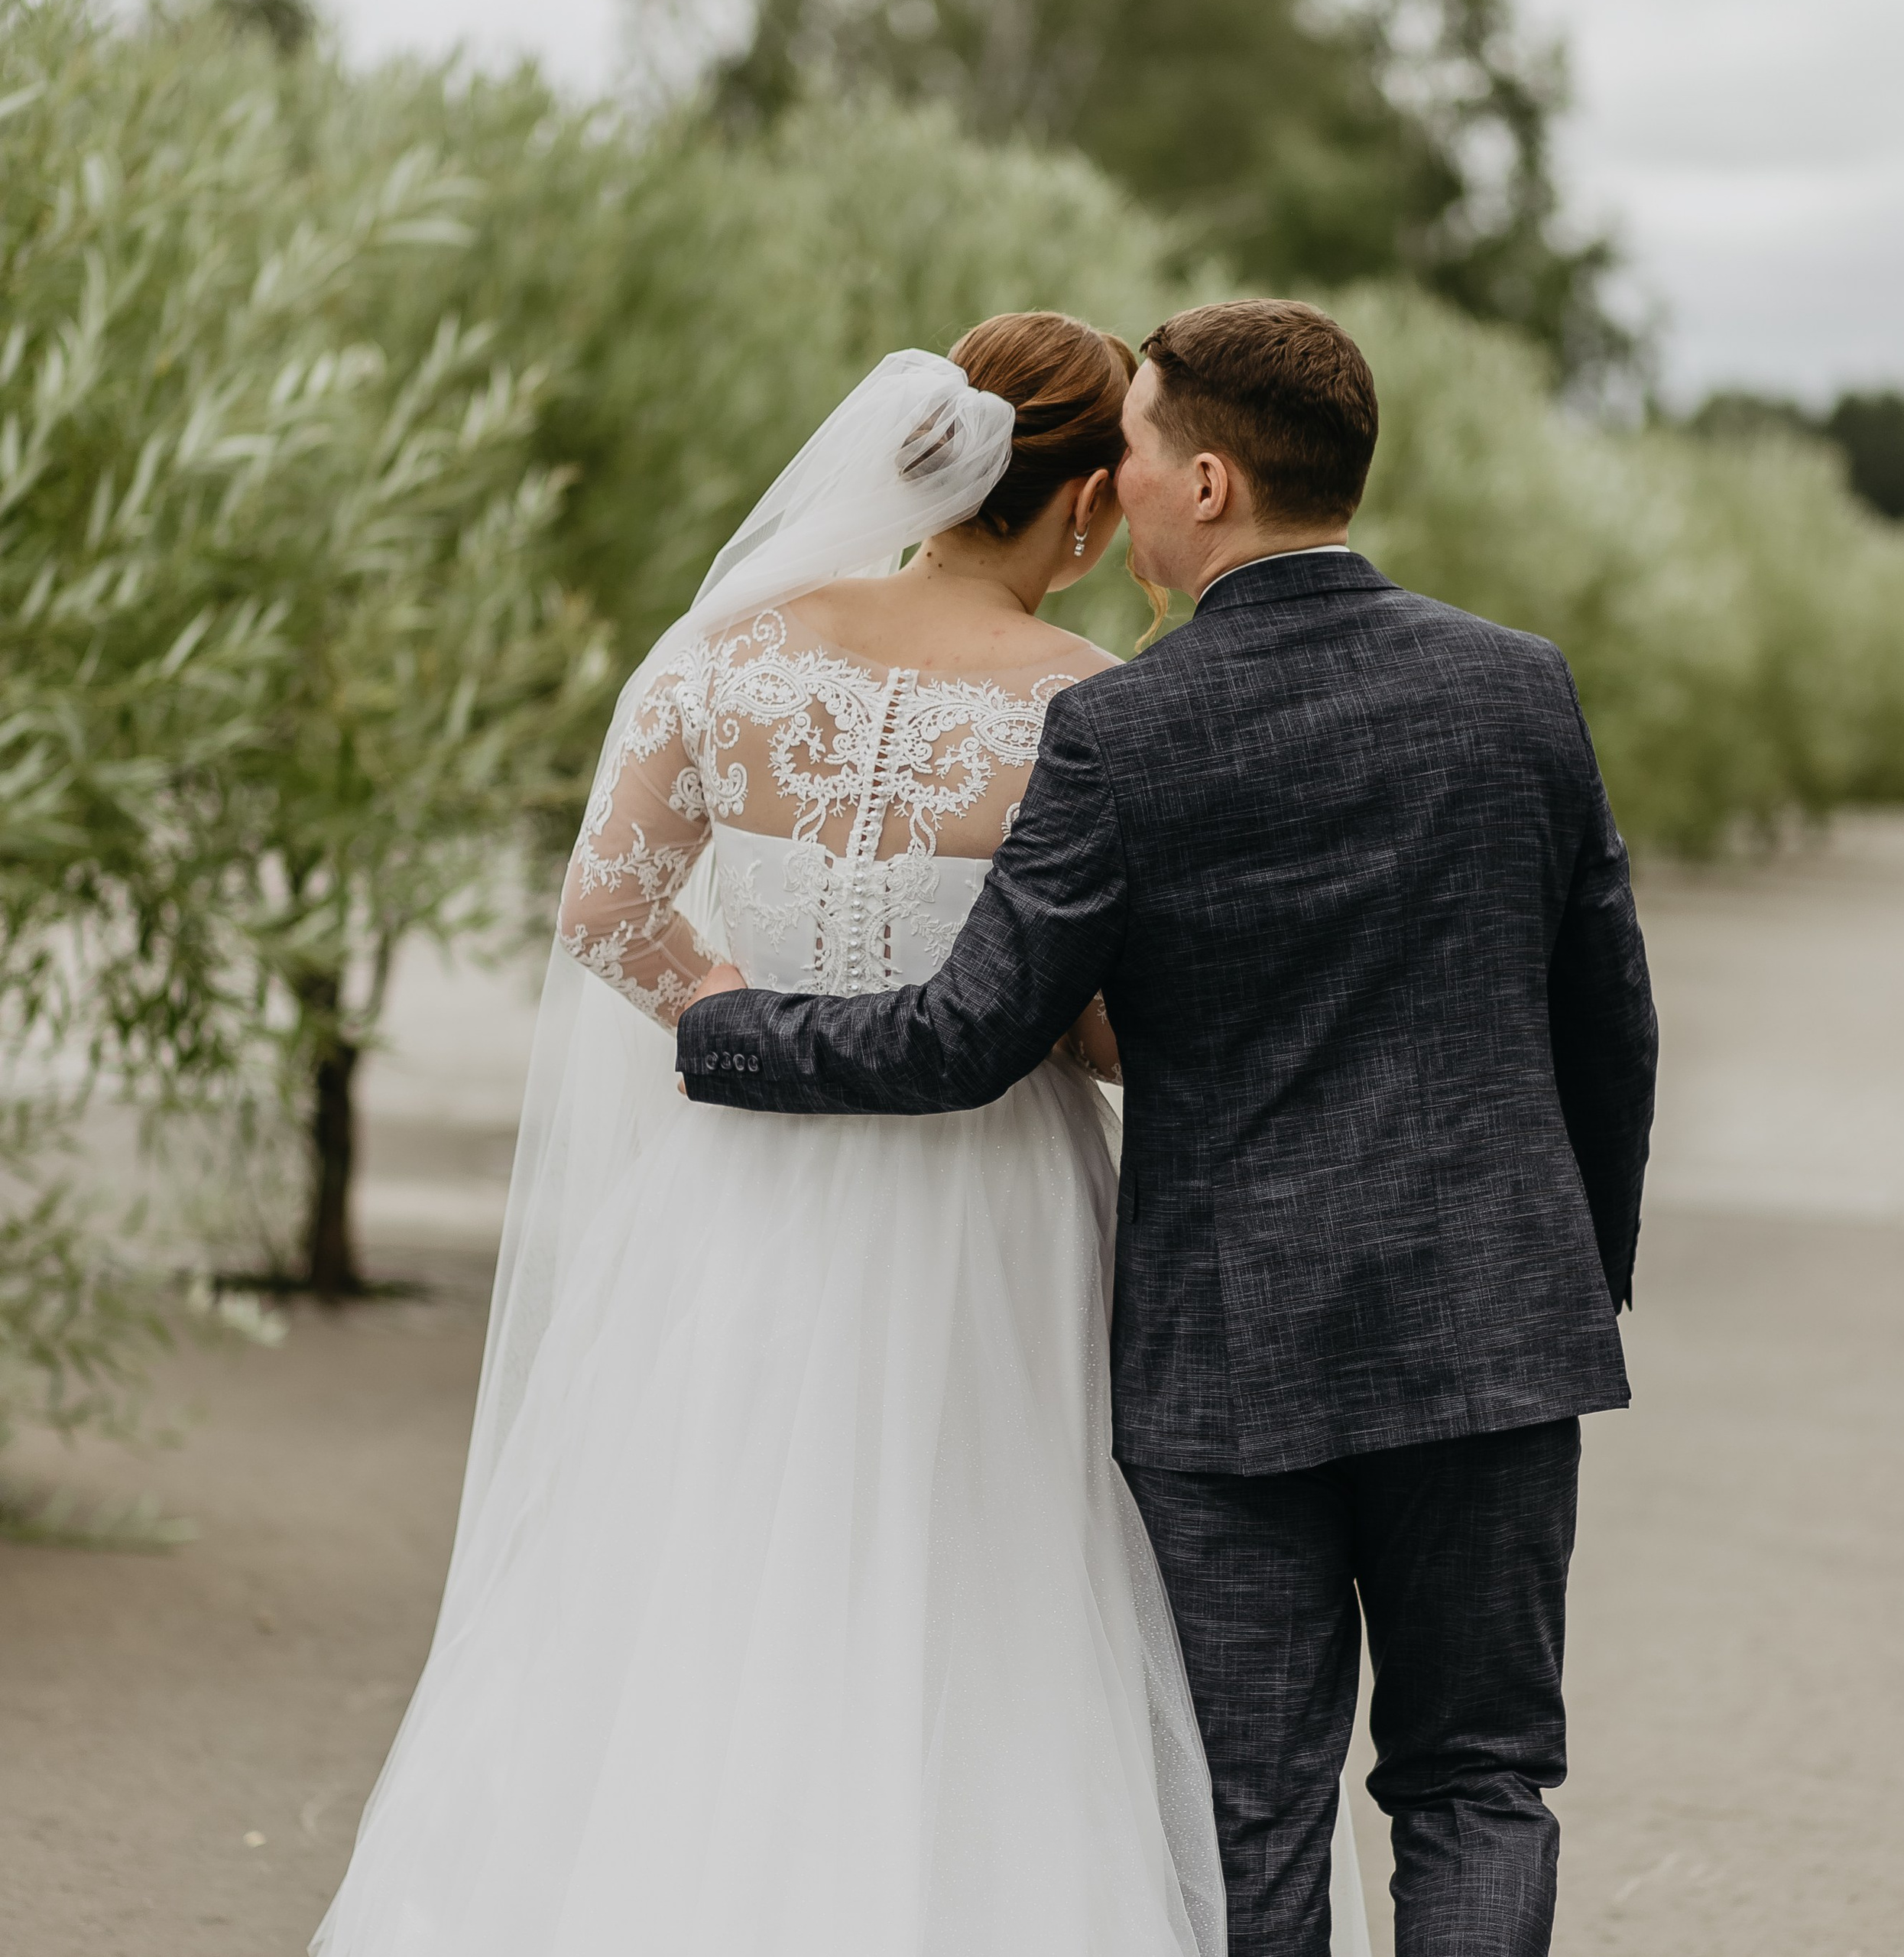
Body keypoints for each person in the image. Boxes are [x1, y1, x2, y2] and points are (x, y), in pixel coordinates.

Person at [312, 313, 1371, 1957]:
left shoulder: (730, 650)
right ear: (1089, 508)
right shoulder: (1089, 705)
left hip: (739, 1187)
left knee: (717, 1577)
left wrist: (741, 1013)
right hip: (993, 1208)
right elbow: (1098, 1021)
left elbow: (602, 907)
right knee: (983, 1591)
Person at [680, 298, 1661, 1957]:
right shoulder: (1516, 693)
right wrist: (1571, 1273)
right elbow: (1607, 1022)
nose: (1102, 486)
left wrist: (727, 1029)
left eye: (1127, 448)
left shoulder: (1122, 729)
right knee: (1478, 1777)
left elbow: (964, 1035)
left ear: (1206, 483)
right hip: (1491, 1333)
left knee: (1250, 1803)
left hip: (1229, 1355)